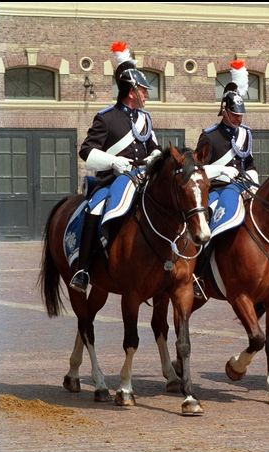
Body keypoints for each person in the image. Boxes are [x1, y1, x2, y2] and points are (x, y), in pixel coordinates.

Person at [69, 41, 160, 293]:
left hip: (142, 178)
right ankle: (83, 269)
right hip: (111, 180)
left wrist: (156, 158)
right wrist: (113, 161)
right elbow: (86, 150)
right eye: (143, 90)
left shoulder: (145, 119)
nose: (147, 94)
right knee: (94, 209)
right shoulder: (106, 118)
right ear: (131, 91)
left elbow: (153, 147)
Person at [192, 60, 259, 299]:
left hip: (242, 188)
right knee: (207, 221)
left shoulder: (245, 134)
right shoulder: (209, 135)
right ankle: (198, 275)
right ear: (224, 110)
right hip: (217, 190)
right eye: (234, 114)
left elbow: (248, 163)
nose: (239, 119)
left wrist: (251, 177)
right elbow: (198, 170)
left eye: (241, 115)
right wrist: (221, 172)